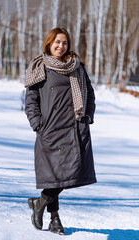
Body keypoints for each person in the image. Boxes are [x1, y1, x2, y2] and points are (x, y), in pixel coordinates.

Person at [24, 27, 97, 235]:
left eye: (64, 43)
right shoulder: (40, 67)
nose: (61, 46)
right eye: (57, 42)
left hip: (74, 129)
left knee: (69, 173)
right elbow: (31, 100)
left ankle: (41, 204)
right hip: (51, 130)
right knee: (55, 176)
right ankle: (54, 218)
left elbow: (90, 94)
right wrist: (37, 123)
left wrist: (88, 116)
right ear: (49, 43)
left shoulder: (76, 67)